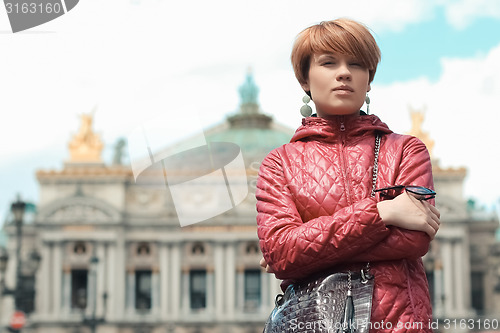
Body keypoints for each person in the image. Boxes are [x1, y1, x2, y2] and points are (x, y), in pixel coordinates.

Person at [256, 18, 440, 332]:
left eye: (356, 64)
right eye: (329, 63)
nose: (344, 73)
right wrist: (384, 210)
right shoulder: (279, 163)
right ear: (305, 79)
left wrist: (308, 248)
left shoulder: (406, 150)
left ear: (369, 80)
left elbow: (414, 238)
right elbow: (282, 253)